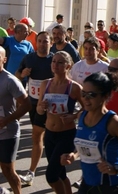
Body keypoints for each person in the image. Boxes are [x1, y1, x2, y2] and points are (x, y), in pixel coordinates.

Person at [60, 72, 118, 194]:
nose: (85, 98)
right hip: (88, 184)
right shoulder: (82, 116)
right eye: (83, 93)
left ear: (105, 96)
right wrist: (74, 155)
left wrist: (117, 168)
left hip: (112, 187)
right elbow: (86, 144)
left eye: (91, 94)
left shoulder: (114, 122)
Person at [36, 51, 83, 194]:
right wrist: (41, 107)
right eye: (54, 61)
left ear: (68, 66)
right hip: (49, 134)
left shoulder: (74, 87)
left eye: (60, 62)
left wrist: (74, 116)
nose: (55, 65)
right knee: (60, 173)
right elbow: (39, 110)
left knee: (51, 175)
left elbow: (88, 109)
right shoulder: (46, 84)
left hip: (66, 134)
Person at [15, 31, 54, 186]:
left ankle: (38, 170)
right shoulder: (29, 58)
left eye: (46, 41)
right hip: (33, 103)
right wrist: (22, 73)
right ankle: (33, 172)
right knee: (38, 136)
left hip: (51, 104)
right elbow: (17, 74)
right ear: (36, 42)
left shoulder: (55, 60)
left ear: (50, 43)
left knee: (43, 136)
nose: (43, 44)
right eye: (40, 41)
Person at [0, 46, 32, 194]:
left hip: (7, 132)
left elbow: (26, 104)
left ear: (4, 59)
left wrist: (7, 120)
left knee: (7, 169)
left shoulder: (10, 80)